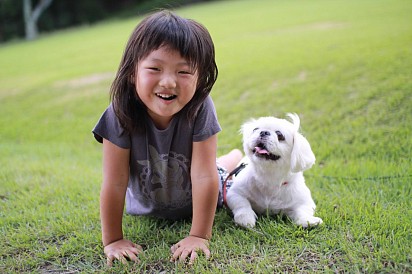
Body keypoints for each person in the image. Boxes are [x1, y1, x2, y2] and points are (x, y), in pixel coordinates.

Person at [92, 10, 242, 266]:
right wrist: (113, 240)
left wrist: (198, 236)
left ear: (200, 77)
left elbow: (204, 176)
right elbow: (115, 182)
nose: (169, 82)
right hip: (150, 202)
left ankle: (235, 157)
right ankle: (231, 156)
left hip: (200, 186)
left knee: (215, 170)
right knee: (215, 164)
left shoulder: (200, 107)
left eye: (184, 72)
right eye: (154, 68)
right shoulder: (120, 112)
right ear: (132, 72)